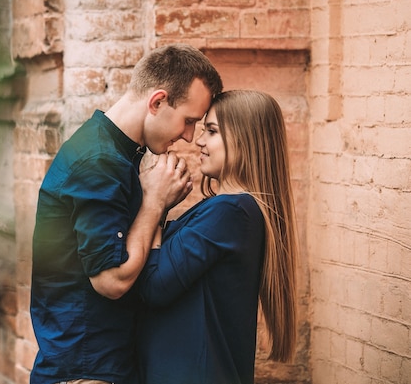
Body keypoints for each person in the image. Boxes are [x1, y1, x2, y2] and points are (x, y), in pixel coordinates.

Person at [30, 44, 224, 384]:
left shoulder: (118, 154)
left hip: (104, 365)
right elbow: (110, 280)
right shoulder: (99, 161)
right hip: (85, 371)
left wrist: (158, 204)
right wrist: (153, 203)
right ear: (157, 101)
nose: (190, 137)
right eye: (189, 121)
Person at [136, 90, 299, 384]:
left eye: (211, 131)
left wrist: (154, 205)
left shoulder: (231, 211)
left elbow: (154, 286)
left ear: (246, 139)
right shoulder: (229, 210)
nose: (199, 141)